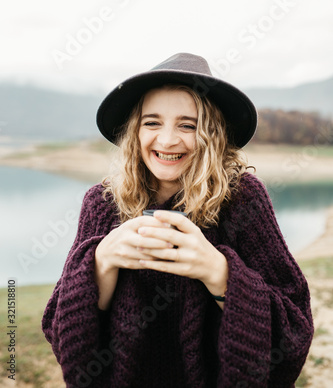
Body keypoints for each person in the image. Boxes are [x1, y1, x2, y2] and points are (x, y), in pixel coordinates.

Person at [42, 53, 313, 388]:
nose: (168, 140)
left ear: (212, 134)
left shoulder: (243, 199)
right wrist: (101, 262)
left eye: (188, 125)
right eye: (152, 122)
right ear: (134, 132)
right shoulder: (102, 204)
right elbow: (60, 330)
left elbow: (294, 331)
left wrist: (218, 272)